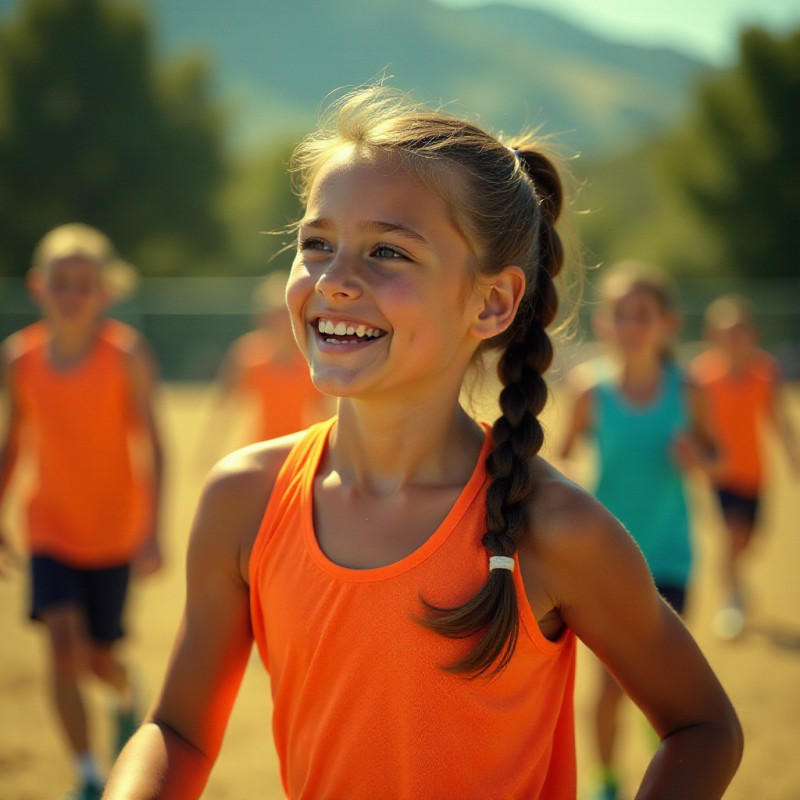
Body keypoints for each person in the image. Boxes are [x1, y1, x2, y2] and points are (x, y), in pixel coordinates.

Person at [104, 87, 741, 800]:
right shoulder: (243, 499)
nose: (335, 280)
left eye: (387, 252)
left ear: (492, 301)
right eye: (317, 244)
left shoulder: (552, 527)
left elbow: (703, 728)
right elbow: (179, 732)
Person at [0, 223, 165, 800]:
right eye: (61, 282)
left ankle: (125, 693)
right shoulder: (18, 360)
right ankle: (89, 774)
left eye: (84, 283)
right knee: (63, 643)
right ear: (38, 286)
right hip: (49, 527)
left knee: (99, 657)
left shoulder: (126, 356)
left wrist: (153, 531)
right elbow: (13, 444)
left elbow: (155, 444)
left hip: (114, 532)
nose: (72, 293)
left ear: (105, 292)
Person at [558, 262, 721, 800]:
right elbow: (556, 463)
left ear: (666, 324)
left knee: (665, 692)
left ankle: (668, 767)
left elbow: (718, 458)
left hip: (671, 558)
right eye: (620, 315)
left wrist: (698, 458)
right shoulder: (588, 391)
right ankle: (606, 783)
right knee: (607, 688)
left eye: (641, 315)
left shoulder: (688, 390)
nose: (630, 325)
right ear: (605, 323)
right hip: (605, 563)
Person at [690, 294, 800, 640]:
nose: (734, 339)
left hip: (757, 472)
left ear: (752, 334)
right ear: (713, 336)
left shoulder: (765, 372)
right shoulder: (702, 376)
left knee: (749, 540)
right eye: (727, 332)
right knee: (732, 535)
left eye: (740, 331)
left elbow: (778, 419)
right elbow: (692, 423)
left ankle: (737, 581)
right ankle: (732, 599)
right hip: (721, 472)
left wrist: (793, 457)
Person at [199, 270, 329, 462]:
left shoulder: (313, 357)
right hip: (260, 451)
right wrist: (210, 449)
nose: (281, 322)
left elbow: (325, 413)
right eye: (275, 315)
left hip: (300, 452)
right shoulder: (248, 355)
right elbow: (224, 406)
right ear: (263, 317)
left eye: (286, 314)